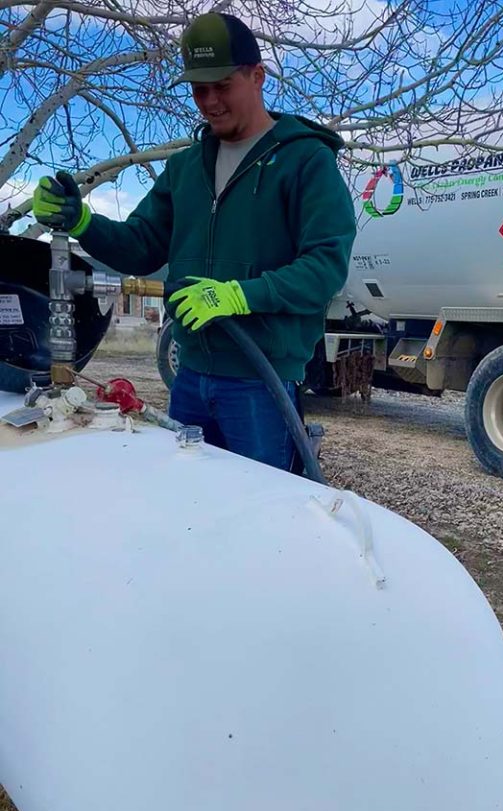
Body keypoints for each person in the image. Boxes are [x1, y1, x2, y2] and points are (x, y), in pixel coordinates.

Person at [32, 11, 357, 470]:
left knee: (259, 516)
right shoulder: (186, 168)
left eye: (222, 86)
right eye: (199, 89)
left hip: (259, 384)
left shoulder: (304, 160)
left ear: (258, 76)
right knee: (189, 511)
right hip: (190, 377)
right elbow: (141, 246)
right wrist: (83, 220)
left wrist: (239, 295)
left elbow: (325, 266)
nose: (209, 101)